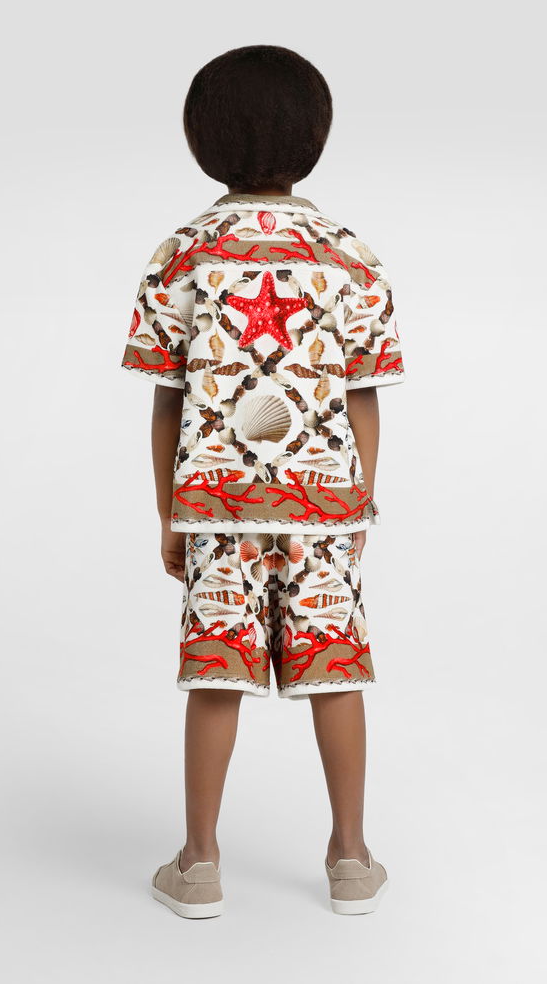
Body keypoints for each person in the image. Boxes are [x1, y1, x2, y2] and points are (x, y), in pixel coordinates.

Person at [120, 45, 405, 918]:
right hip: (324, 507)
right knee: (336, 670)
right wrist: (355, 505)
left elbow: (167, 401)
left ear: (201, 139)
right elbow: (362, 394)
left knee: (216, 672)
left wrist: (169, 514)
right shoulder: (349, 254)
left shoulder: (181, 253)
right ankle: (351, 857)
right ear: (315, 137)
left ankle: (199, 863)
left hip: (216, 505)